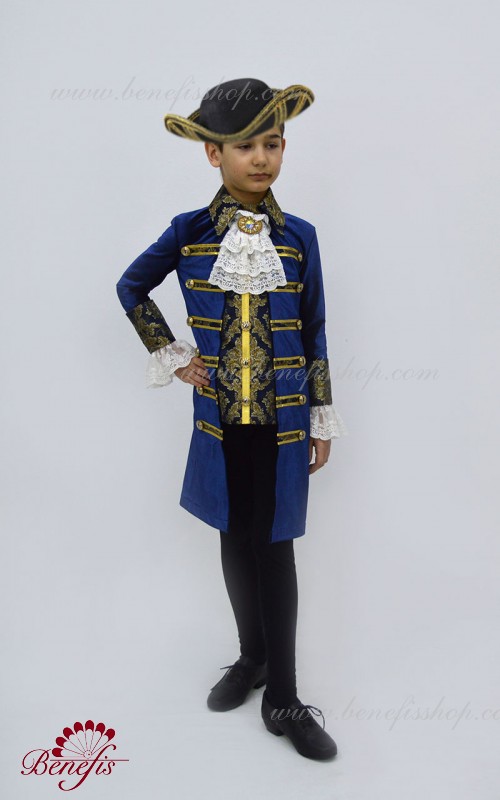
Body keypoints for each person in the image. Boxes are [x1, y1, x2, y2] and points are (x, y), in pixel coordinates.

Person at [116, 77, 347, 761]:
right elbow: (131, 286)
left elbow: (314, 328)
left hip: (283, 424)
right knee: (233, 538)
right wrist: (172, 354)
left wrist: (321, 414)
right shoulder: (188, 232)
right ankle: (252, 658)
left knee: (275, 546)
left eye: (273, 142)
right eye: (245, 145)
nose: (262, 158)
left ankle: (285, 696)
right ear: (213, 154)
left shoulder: (300, 238)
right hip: (220, 424)